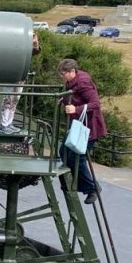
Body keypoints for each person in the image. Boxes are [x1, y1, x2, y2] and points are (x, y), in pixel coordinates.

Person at [56, 58, 107, 205]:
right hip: (78, 125)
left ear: (72, 71)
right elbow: (74, 96)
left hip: (89, 127)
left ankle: (92, 188)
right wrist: (63, 99)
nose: (62, 77)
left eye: (63, 74)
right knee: (64, 152)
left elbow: (95, 103)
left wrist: (76, 109)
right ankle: (73, 182)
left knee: (78, 157)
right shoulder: (72, 81)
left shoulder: (83, 83)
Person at [0, 31, 41, 134]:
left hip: (21, 74)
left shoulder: (27, 42)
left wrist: (35, 43)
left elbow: (35, 52)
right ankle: (4, 124)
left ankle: (9, 123)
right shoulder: (11, 41)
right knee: (8, 99)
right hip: (11, 73)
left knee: (15, 100)